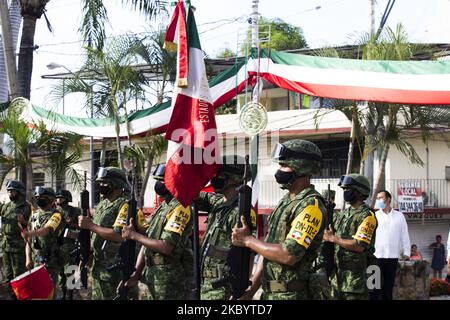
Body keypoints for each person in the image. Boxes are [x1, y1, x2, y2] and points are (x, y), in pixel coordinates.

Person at [232, 140, 327, 300]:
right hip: (269, 294)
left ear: (302, 167)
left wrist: (248, 240)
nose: (280, 171)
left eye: (284, 166)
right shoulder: (286, 201)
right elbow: (268, 250)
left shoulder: (311, 206)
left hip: (292, 295)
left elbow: (288, 255)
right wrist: (252, 290)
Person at [121, 163, 193, 299]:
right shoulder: (163, 206)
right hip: (151, 274)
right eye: (158, 180)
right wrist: (137, 272)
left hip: (168, 277)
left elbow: (166, 246)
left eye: (162, 180)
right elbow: (147, 240)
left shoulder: (181, 207)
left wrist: (134, 235)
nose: (159, 184)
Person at [77, 166, 146, 300]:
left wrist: (91, 225)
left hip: (115, 271)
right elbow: (96, 234)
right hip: (99, 269)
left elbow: (120, 235)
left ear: (116, 184)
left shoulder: (125, 204)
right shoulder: (103, 204)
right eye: (100, 183)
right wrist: (88, 252)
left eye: (105, 183)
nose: (101, 186)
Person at [196, 155, 256, 300]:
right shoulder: (217, 202)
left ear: (235, 179)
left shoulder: (240, 211)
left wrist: (239, 291)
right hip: (207, 284)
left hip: (224, 288)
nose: (215, 178)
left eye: (220, 175)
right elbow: (190, 194)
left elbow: (247, 254)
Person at [323, 174, 378, 300]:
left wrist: (333, 238)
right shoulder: (343, 214)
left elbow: (359, 246)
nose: (345, 192)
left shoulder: (367, 216)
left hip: (357, 281)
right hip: (337, 279)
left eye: (348, 189)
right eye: (344, 190)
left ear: (359, 192)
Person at [22, 187, 66, 291]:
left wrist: (30, 233)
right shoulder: (35, 215)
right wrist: (28, 258)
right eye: (37, 197)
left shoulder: (56, 215)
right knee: (37, 292)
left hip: (50, 261)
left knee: (48, 292)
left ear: (51, 199)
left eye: (42, 197)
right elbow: (29, 241)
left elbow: (47, 230)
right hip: (36, 260)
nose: (39, 200)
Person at [371, 189, 410, 300]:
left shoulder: (399, 216)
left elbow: (404, 235)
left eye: (381, 198)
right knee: (374, 288)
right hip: (375, 257)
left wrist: (407, 252)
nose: (378, 200)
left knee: (388, 288)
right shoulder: (373, 216)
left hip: (392, 257)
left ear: (388, 199)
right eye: (377, 198)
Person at [0, 180, 32, 299]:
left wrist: (23, 222)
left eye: (11, 191)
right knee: (8, 274)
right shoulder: (7, 206)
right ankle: (11, 295)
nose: (9, 193)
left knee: (19, 274)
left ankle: (21, 296)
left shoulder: (26, 206)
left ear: (19, 192)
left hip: (19, 245)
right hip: (6, 243)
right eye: (8, 191)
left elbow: (30, 224)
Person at [55, 190, 82, 300]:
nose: (58, 200)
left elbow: (82, 228)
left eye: (60, 198)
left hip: (70, 247)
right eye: (57, 198)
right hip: (57, 246)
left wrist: (72, 224)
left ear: (66, 199)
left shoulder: (75, 211)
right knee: (60, 273)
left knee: (70, 273)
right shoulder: (54, 211)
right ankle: (62, 295)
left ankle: (71, 296)